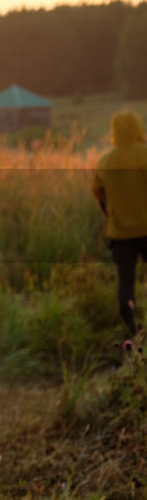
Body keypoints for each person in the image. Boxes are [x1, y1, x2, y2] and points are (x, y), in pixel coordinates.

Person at [93, 109, 147, 350]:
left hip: (121, 234)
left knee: (125, 284)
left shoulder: (105, 162)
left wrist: (112, 217)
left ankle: (132, 336)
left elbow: (100, 195)